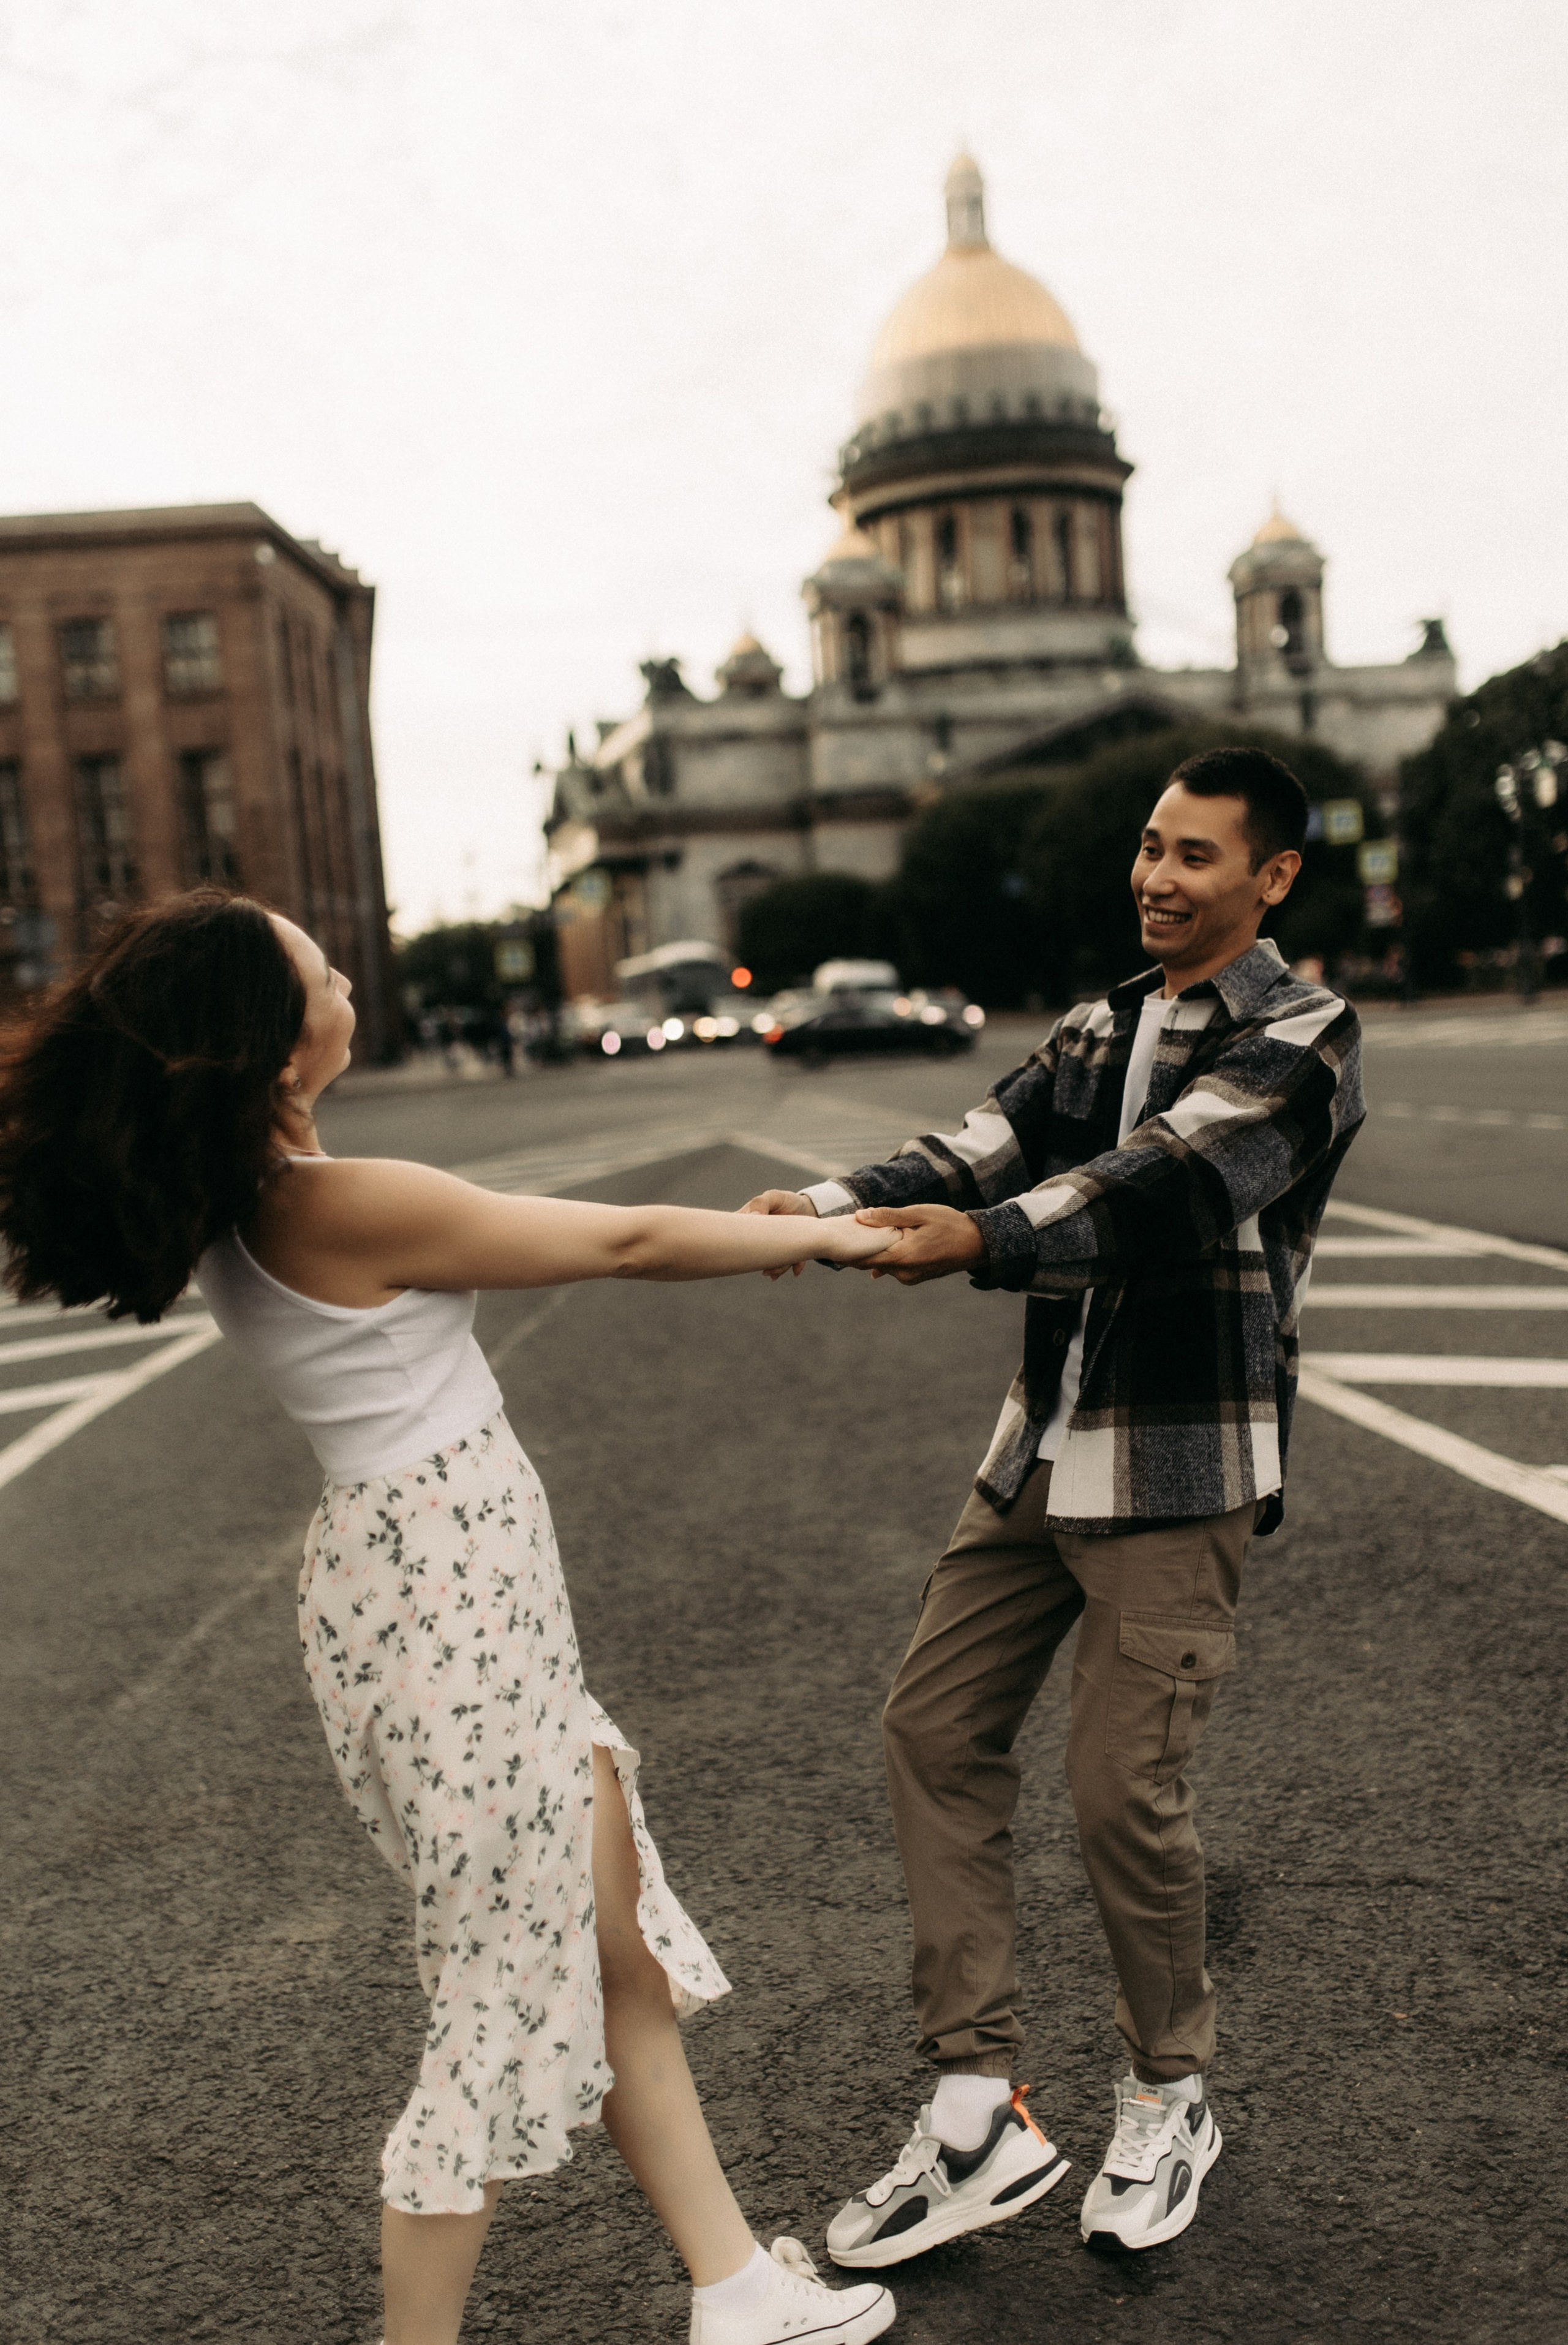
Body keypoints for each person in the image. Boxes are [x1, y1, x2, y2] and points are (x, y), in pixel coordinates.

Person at [0, 891, 900, 2345]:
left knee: (611, 1955)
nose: (345, 971)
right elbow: (613, 1246)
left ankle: (735, 2285)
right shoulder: (331, 1204)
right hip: (449, 1610)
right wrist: (843, 1238)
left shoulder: (259, 1193)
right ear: (281, 1048)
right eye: (320, 966)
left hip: (437, 1600)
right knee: (494, 2005)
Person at [741, 747, 1364, 2262]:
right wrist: (820, 1207)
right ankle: (974, 2108)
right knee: (930, 1730)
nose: (1155, 877)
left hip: (1176, 1460)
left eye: (1195, 857)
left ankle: (1167, 2097)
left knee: (1117, 1795)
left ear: (1270, 877)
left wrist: (970, 1243)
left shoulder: (1302, 1036)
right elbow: (985, 1137)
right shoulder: (1102, 1017)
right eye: (1148, 849)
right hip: (1040, 1444)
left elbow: (1153, 1190)